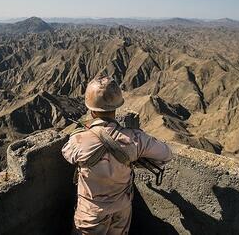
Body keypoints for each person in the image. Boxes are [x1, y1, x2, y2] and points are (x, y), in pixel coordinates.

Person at [62, 76, 173, 235]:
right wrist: (136, 158)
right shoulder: (136, 139)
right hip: (122, 210)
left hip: (90, 213)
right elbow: (166, 155)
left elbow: (67, 154)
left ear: (91, 110)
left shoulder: (78, 140)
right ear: (116, 107)